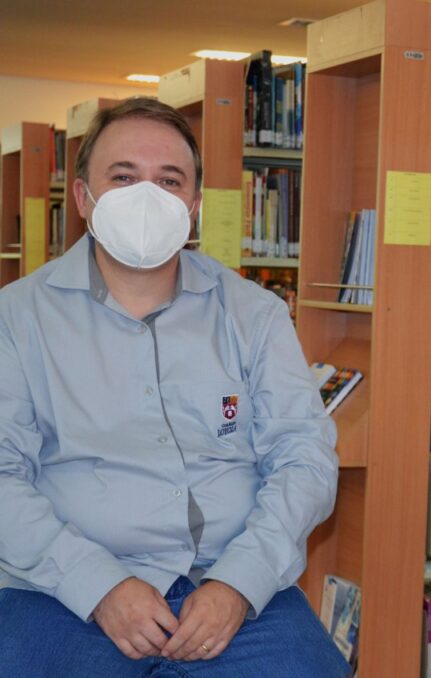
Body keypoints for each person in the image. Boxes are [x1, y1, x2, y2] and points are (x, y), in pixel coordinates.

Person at [0, 98, 349, 676]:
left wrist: (238, 583)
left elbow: (304, 459)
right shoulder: (16, 318)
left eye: (168, 181)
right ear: (83, 198)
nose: (147, 197)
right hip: (61, 589)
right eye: (123, 177)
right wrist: (98, 585)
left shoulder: (255, 313)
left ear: (193, 204)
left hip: (233, 586)